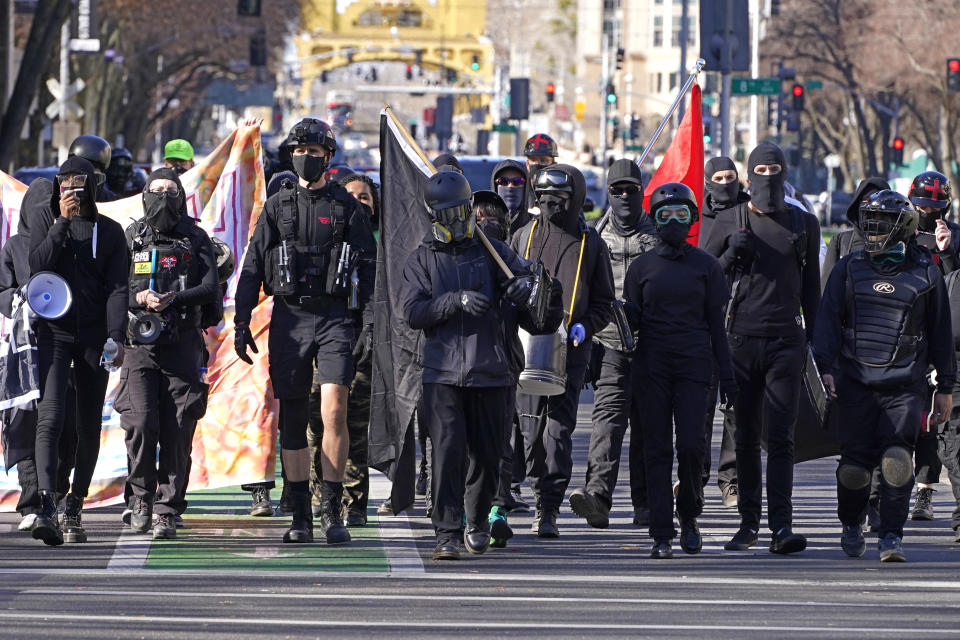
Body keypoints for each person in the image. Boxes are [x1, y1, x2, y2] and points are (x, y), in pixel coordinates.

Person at [399, 171, 561, 560]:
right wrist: (452, 301)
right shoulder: (422, 257)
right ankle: (447, 531)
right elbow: (412, 311)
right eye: (446, 213)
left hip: (493, 369)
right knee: (447, 451)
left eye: (460, 211)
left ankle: (477, 519)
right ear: (432, 215)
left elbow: (540, 310)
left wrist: (527, 292)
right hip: (443, 373)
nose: (455, 220)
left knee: (489, 456)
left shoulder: (496, 251)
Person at [234, 118, 375, 545]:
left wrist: (367, 323)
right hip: (290, 318)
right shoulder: (277, 206)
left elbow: (368, 270)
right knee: (293, 419)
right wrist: (241, 321)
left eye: (315, 152)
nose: (307, 157)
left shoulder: (346, 207)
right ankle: (299, 512)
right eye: (300, 150)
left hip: (335, 318)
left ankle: (332, 510)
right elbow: (253, 265)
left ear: (329, 158)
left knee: (334, 410)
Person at [814, 190, 955, 562]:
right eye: (869, 220)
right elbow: (827, 323)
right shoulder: (848, 268)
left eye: (881, 221)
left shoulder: (925, 272)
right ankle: (850, 523)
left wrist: (946, 388)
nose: (872, 228)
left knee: (897, 460)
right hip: (855, 382)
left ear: (903, 226)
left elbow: (941, 333)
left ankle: (891, 535)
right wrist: (823, 369)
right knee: (855, 468)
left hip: (905, 385)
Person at [701, 142, 821, 554]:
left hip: (787, 341)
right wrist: (730, 256)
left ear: (784, 174)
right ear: (748, 177)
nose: (767, 177)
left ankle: (781, 527)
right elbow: (702, 277)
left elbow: (812, 292)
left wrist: (818, 349)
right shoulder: (731, 218)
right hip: (740, 342)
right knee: (747, 435)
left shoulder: (804, 224)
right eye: (760, 170)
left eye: (775, 169)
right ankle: (748, 523)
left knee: (782, 437)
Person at [624, 182, 736, 558]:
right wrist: (625, 317)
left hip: (694, 367)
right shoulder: (640, 268)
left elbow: (718, 327)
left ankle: (689, 515)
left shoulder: (706, 267)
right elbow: (629, 325)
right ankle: (661, 532)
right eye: (665, 215)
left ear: (692, 219)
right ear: (654, 221)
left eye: (681, 214)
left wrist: (729, 379)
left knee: (691, 447)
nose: (673, 221)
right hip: (651, 368)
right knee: (656, 450)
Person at [25, 156, 129, 545]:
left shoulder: (111, 232)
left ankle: (75, 505)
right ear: (58, 185)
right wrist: (61, 223)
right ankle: (46, 505)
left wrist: (116, 336)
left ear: (94, 185)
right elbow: (35, 267)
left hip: (94, 336)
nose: (74, 190)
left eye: (80, 183)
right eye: (66, 183)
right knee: (49, 417)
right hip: (55, 331)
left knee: (88, 424)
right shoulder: (46, 221)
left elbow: (119, 288)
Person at [510, 164, 615, 537]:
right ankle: (511, 490)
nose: (551, 205)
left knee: (557, 432)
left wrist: (587, 326)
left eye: (560, 198)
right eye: (544, 198)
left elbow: (604, 301)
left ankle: (548, 505)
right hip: (523, 350)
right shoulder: (522, 236)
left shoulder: (591, 244)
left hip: (569, 355)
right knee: (526, 430)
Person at [116, 168, 218, 539]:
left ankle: (167, 509)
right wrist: (140, 298)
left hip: (183, 343)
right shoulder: (132, 237)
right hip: (139, 345)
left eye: (170, 190)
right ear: (145, 194)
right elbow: (114, 288)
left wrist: (173, 298)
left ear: (182, 195)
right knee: (140, 422)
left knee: (178, 429)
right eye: (155, 189)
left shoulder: (196, 237)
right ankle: (140, 499)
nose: (162, 195)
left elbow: (210, 287)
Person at [568, 159, 658, 529]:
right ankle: (597, 497)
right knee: (606, 421)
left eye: (631, 190)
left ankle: (647, 504)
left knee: (648, 424)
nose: (624, 197)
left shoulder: (657, 235)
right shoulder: (594, 235)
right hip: (608, 344)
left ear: (641, 192)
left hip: (651, 342)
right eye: (617, 190)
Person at [306, 173, 380, 527]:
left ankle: (355, 502)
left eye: (365, 197)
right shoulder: (327, 237)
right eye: (352, 196)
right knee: (318, 421)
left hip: (363, 341)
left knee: (354, 422)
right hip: (326, 338)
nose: (359, 202)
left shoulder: (383, 243)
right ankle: (320, 493)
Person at [906, 170, 960, 521]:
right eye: (922, 206)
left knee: (942, 418)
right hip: (910, 334)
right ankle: (911, 487)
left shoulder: (954, 237)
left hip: (945, 335)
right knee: (912, 419)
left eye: (935, 207)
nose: (929, 213)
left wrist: (949, 251)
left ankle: (927, 489)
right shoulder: (903, 234)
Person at [697, 156, 749, 508]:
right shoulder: (697, 218)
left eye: (731, 177)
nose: (726, 182)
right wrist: (728, 256)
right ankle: (693, 478)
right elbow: (698, 269)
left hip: (744, 324)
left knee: (737, 409)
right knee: (699, 407)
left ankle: (731, 480)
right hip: (702, 324)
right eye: (718, 177)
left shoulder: (752, 212)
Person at [68, 134, 121, 202]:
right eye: (77, 177)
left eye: (92, 177)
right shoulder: (56, 199)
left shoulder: (114, 202)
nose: (83, 183)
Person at [491, 159, 530, 240]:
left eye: (517, 181)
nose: (510, 186)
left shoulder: (535, 228)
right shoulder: (481, 227)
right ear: (495, 186)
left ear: (526, 186)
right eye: (503, 181)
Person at [522, 133, 558, 212]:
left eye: (543, 160)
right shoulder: (519, 191)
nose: (537, 164)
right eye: (533, 160)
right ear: (527, 165)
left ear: (554, 165)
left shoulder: (561, 192)